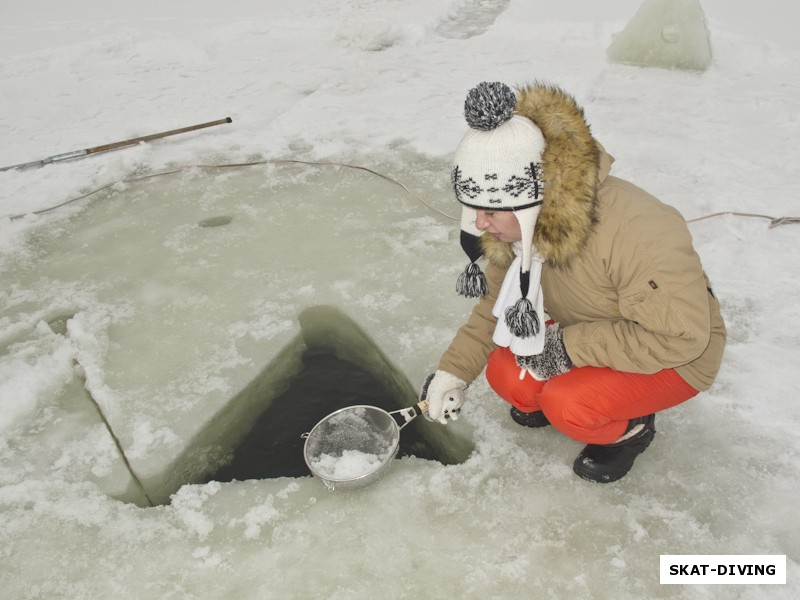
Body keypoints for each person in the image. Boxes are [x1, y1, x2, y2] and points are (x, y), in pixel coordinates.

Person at [420, 81, 726, 483]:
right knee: (508, 375)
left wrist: (565, 348)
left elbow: (682, 337)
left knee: (570, 405)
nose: (479, 223)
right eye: (472, 207)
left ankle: (630, 429)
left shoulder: (636, 233)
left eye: (490, 210)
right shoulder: (512, 231)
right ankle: (570, 388)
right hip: (585, 326)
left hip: (677, 351)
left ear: (532, 199)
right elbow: (494, 309)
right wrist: (452, 373)